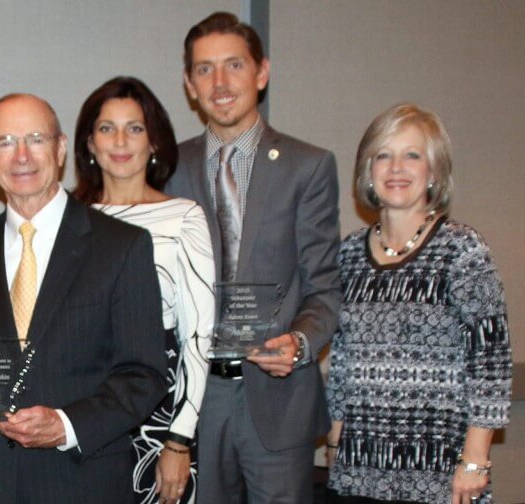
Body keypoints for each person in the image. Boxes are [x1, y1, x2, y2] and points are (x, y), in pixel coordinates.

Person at [0, 93, 166, 503]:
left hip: (82, 482)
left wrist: (66, 424)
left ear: (59, 151)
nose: (21, 155)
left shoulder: (121, 246)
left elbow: (144, 374)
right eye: (5, 142)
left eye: (35, 138)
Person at [163, 12, 342, 503]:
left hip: (277, 399)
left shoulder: (308, 167)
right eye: (204, 69)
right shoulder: (165, 169)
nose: (220, 83)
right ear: (189, 84)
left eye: (234, 65)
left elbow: (324, 287)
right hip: (197, 403)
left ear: (261, 73)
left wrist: (301, 344)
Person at [326, 104, 512, 504]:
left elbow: (491, 362)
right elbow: (342, 356)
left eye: (412, 155)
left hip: (441, 472)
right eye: (384, 155)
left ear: (434, 172)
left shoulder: (462, 250)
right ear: (367, 171)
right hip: (361, 468)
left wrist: (475, 460)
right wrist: (336, 436)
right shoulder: (348, 255)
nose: (396, 168)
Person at [72, 76, 215, 504]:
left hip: (158, 419)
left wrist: (179, 441)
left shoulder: (183, 217)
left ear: (154, 142)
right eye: (106, 128)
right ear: (89, 144)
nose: (120, 140)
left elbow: (197, 336)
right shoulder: (66, 222)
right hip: (79, 415)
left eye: (134, 128)